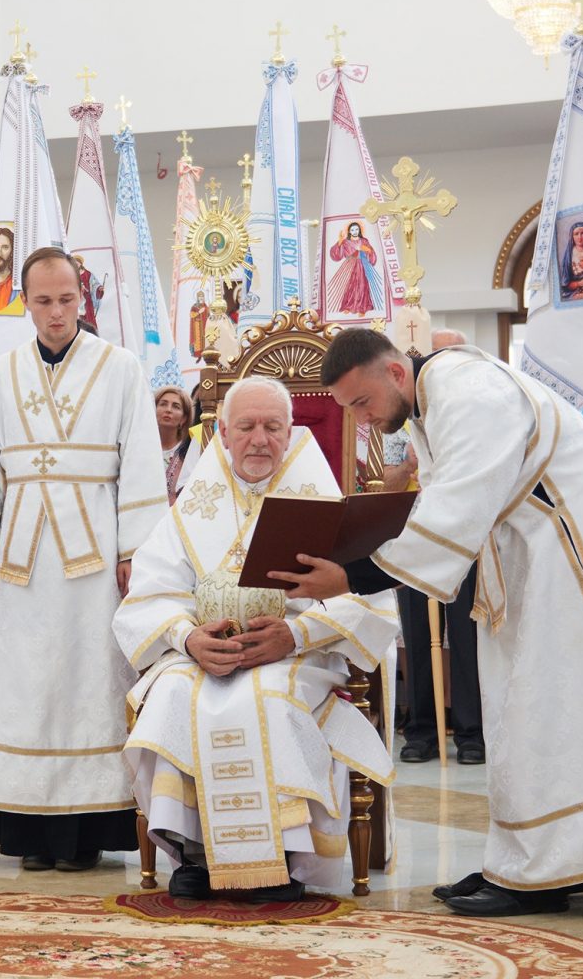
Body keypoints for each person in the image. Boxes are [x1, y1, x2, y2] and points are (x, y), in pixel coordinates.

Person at [278, 328, 583, 916]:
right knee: (526, 704)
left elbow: (454, 508)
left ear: (396, 374)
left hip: (575, 550)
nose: (362, 417)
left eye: (362, 403)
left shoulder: (467, 389)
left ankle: (548, 869)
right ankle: (527, 862)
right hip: (537, 551)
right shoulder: (435, 397)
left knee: (554, 703)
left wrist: (351, 576)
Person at [117, 376, 396, 900]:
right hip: (202, 656)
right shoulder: (191, 507)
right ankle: (193, 854)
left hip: (297, 657)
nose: (259, 440)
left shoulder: (323, 502)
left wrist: (295, 633)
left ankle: (284, 859)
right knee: (175, 694)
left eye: (273, 427)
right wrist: (187, 638)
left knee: (268, 699)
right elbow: (150, 594)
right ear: (222, 432)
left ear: (291, 433)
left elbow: (368, 599)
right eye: (246, 427)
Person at [0, 246, 168, 872]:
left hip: (95, 556)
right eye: (43, 301)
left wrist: (134, 551)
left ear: (82, 297)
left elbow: (142, 460)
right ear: (26, 302)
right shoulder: (2, 373)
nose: (57, 312)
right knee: (25, 682)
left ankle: (88, 832)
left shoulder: (121, 368)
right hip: (20, 557)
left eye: (67, 299)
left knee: (92, 678)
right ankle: (28, 831)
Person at [382, 328, 484, 766]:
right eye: (435, 354)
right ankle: (421, 729)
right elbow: (380, 484)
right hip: (411, 537)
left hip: (463, 540)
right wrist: (409, 464)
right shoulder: (395, 417)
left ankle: (471, 730)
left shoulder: (470, 411)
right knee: (419, 635)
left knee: (465, 637)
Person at [154, 385, 197, 505]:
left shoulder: (190, 451)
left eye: (176, 406)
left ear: (184, 418)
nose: (168, 410)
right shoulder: (140, 448)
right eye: (163, 404)